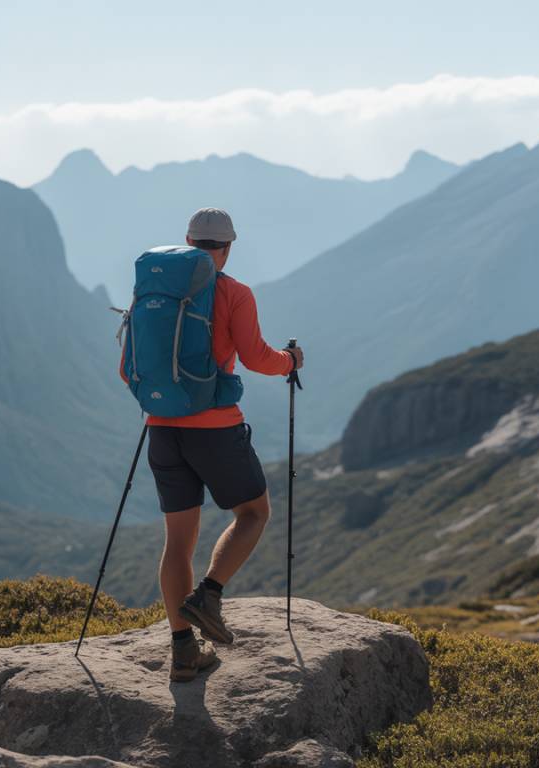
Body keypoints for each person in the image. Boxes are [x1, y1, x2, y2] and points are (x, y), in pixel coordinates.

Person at [126, 207, 304, 682]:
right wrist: (290, 361)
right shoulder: (233, 292)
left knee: (177, 544)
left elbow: (128, 369)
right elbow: (256, 358)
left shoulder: (153, 292)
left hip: (162, 429)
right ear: (227, 248)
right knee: (253, 512)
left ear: (187, 240)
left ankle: (183, 650)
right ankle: (209, 594)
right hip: (216, 429)